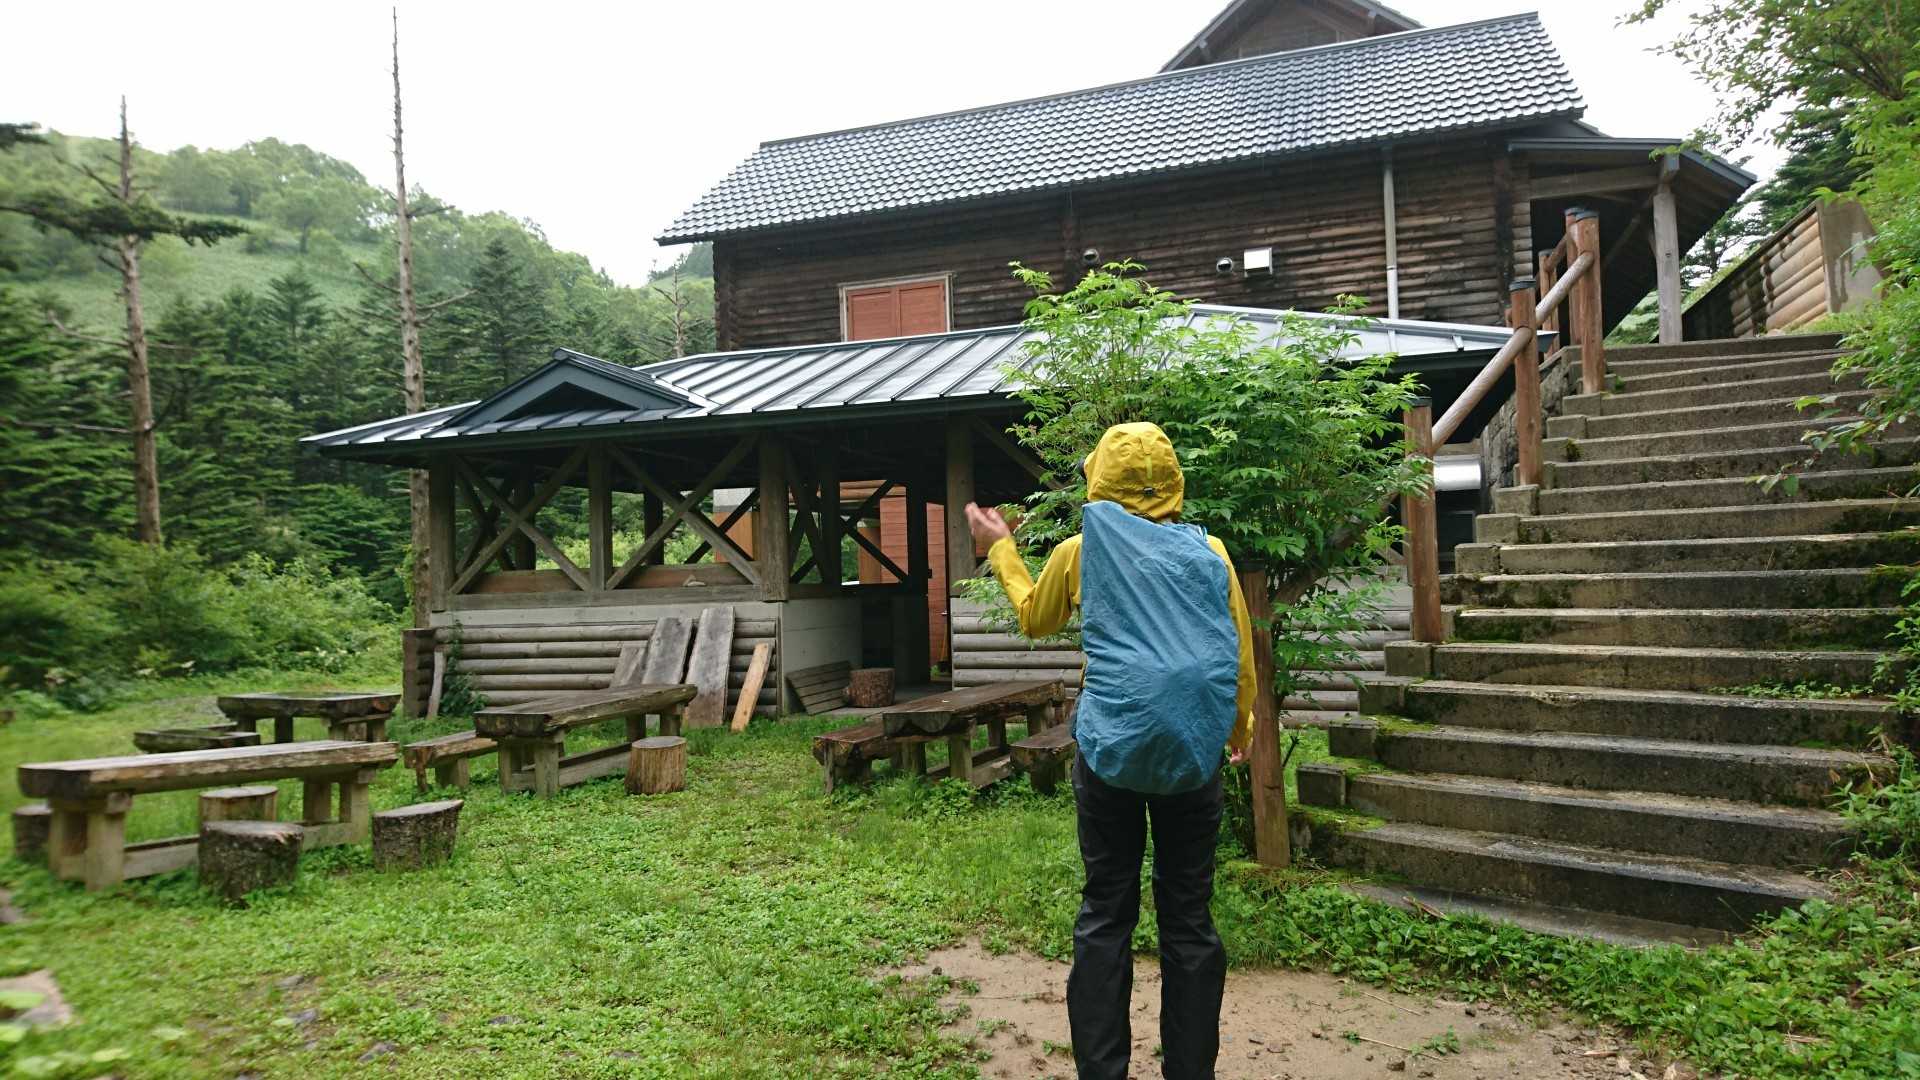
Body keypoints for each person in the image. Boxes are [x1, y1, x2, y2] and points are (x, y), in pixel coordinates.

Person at [965, 421, 1257, 1080]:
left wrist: (1002, 547)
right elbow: (1237, 651)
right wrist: (1236, 731)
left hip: (1109, 753)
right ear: (1173, 481)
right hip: (1192, 754)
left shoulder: (1081, 551)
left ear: (1100, 479)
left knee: (1105, 913)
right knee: (1188, 920)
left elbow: (1035, 617)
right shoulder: (1211, 552)